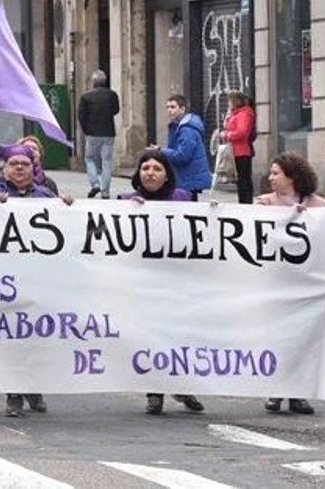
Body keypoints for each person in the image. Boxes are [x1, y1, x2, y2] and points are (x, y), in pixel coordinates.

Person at [255, 151, 325, 415]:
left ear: (293, 177)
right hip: (276, 284)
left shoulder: (320, 206)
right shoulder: (264, 204)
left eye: (277, 173)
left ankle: (299, 393)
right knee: (277, 337)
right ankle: (275, 390)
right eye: (272, 172)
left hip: (308, 286)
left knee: (304, 339)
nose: (271, 177)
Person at [117, 150, 204, 415]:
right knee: (150, 336)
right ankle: (154, 392)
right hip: (141, 283)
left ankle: (183, 385)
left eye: (156, 168)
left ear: (167, 175)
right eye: (145, 168)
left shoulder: (184, 199)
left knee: (179, 335)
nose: (150, 173)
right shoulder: (123, 202)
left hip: (177, 281)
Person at [0, 143, 55, 418]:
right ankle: (14, 393)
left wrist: (68, 206)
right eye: (15, 164)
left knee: (35, 336)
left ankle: (33, 386)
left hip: (36, 278)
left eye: (25, 164)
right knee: (11, 336)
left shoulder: (45, 195)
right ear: (5, 168)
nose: (20, 168)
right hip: (3, 280)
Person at [157, 95, 211, 199]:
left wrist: (161, 151)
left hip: (188, 179)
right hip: (186, 178)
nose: (169, 110)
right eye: (167, 107)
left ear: (182, 109)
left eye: (173, 107)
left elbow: (182, 156)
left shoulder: (187, 130)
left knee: (188, 211)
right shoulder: (178, 126)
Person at [77, 70, 119, 198]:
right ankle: (105, 191)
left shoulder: (85, 96)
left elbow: (81, 116)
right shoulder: (112, 95)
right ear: (105, 81)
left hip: (92, 133)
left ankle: (95, 184)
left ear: (93, 82)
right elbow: (116, 110)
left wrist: (86, 130)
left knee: (90, 159)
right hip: (108, 132)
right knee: (106, 161)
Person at [220, 91, 257, 204]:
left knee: (243, 180)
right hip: (235, 151)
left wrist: (227, 135)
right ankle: (243, 201)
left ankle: (246, 202)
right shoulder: (236, 114)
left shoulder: (245, 114)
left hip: (241, 151)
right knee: (240, 180)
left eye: (230, 101)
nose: (228, 104)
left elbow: (242, 132)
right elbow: (227, 125)